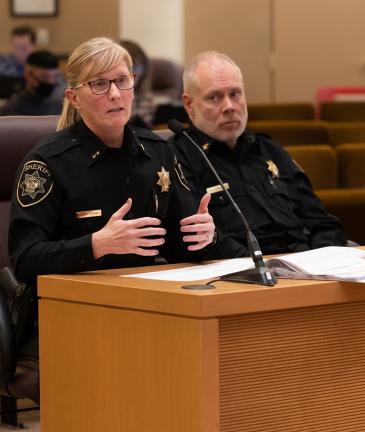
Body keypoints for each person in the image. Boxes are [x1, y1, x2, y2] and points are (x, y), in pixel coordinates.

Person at [7, 37, 217, 403]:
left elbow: (181, 244)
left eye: (122, 81)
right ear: (74, 97)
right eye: (99, 85)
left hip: (151, 303)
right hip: (72, 312)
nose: (115, 94)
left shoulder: (159, 152)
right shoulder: (47, 164)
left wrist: (204, 236)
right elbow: (25, 260)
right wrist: (96, 245)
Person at [171, 51, 347, 256]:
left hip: (305, 266)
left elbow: (323, 223)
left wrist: (324, 259)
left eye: (235, 94)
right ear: (189, 104)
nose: (229, 106)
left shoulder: (269, 149)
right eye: (214, 97)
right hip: (240, 273)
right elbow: (200, 240)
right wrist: (262, 264)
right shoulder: (178, 158)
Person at [1, 50, 62, 115]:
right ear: (28, 74)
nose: (51, 81)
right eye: (44, 76)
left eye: (55, 76)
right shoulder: (13, 109)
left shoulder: (61, 106)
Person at [119, 39, 154, 128]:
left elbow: (147, 127)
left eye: (140, 66)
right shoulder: (114, 95)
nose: (137, 71)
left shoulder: (146, 96)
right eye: (133, 66)